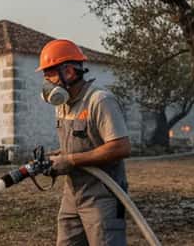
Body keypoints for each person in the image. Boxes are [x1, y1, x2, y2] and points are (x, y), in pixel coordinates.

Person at [37, 39, 132, 246]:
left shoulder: (100, 100)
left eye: (50, 75)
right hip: (72, 194)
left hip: (103, 196)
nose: (47, 83)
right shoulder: (62, 105)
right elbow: (74, 146)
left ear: (69, 72)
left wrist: (70, 160)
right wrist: (55, 158)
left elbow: (121, 147)